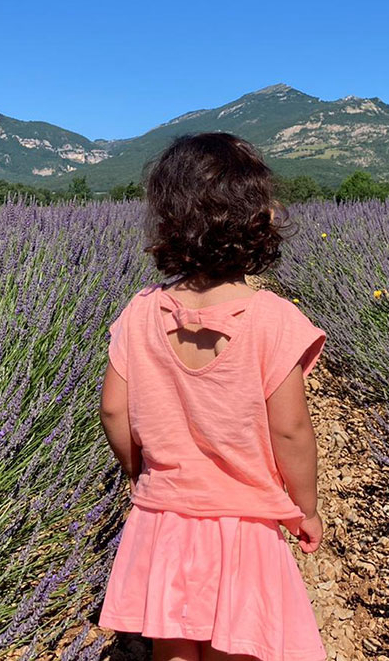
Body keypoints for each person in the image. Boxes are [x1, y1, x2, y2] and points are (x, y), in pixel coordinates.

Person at [97, 132, 327, 661]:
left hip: (165, 514)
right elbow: (291, 429)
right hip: (243, 519)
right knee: (238, 640)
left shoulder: (140, 311)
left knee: (174, 643)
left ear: (168, 221)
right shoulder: (273, 320)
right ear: (259, 220)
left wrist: (139, 468)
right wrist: (305, 507)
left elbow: (113, 407)